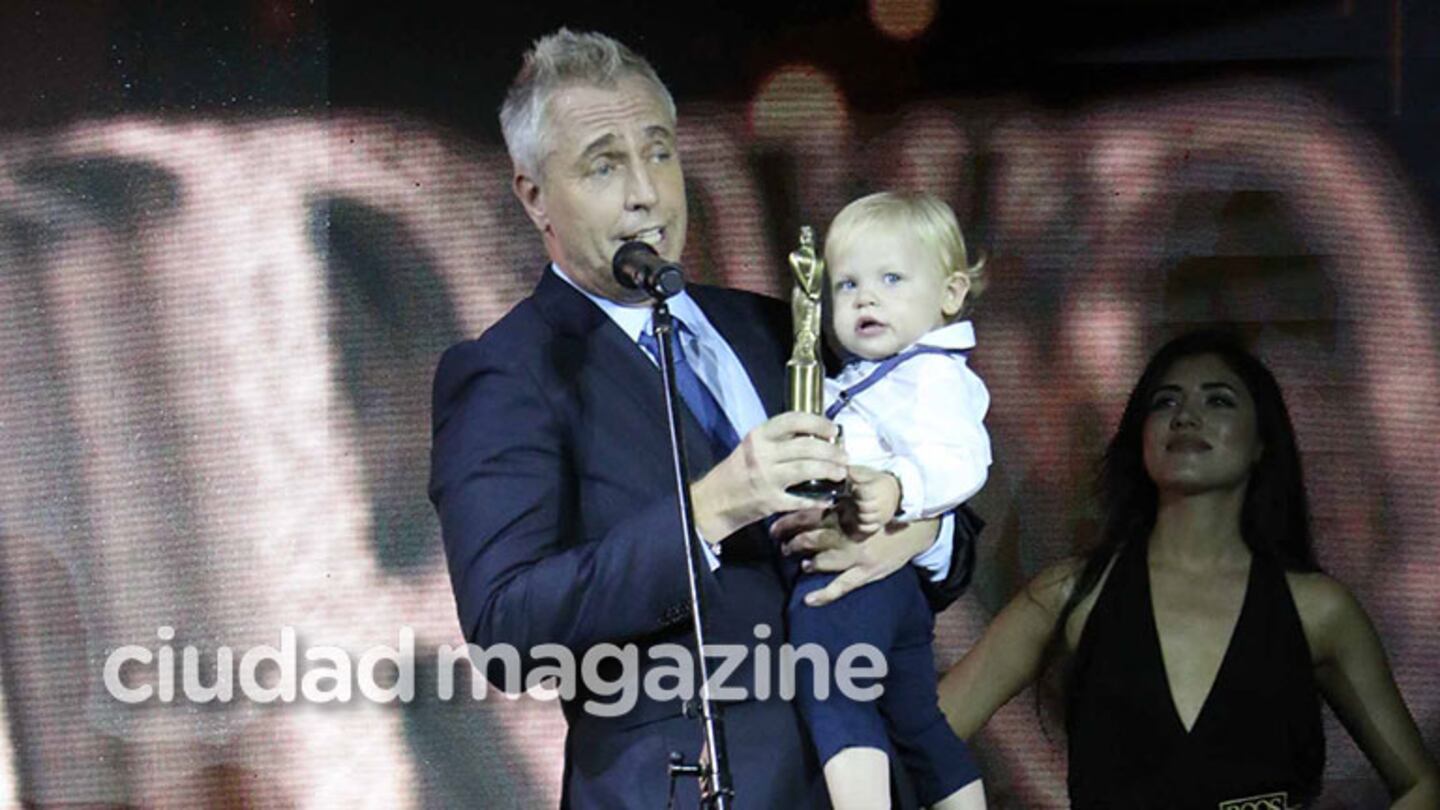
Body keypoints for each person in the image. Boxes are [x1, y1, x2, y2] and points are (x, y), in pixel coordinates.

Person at [428, 29, 974, 808]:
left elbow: (957, 535)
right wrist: (712, 509)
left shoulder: (788, 330)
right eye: (604, 164)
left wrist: (914, 529)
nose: (646, 192)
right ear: (533, 196)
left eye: (658, 152)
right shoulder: (508, 372)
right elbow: (507, 628)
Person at [937, 330, 1440, 808]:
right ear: (1141, 437)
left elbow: (1419, 784)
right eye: (1165, 402)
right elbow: (923, 739)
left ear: (1263, 440)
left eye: (1218, 400)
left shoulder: (1318, 609)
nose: (1186, 416)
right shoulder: (1069, 595)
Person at [787, 192, 990, 810]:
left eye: (891, 279)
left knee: (832, 686)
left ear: (950, 295)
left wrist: (900, 486)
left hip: (856, 583)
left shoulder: (932, 375)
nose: (865, 297)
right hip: (896, 594)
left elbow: (965, 458)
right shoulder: (880, 372)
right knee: (917, 723)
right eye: (847, 284)